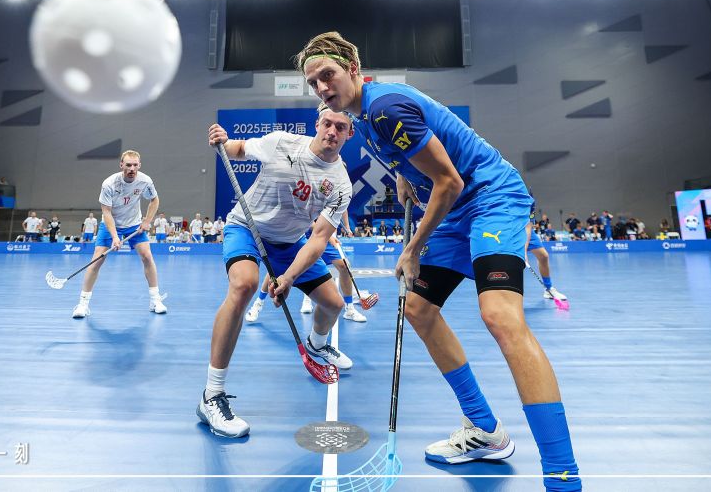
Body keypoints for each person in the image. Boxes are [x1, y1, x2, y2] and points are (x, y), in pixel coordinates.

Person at [297, 32, 579, 489]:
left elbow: (450, 181)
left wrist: (411, 249)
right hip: (452, 207)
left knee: (500, 317)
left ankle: (563, 477)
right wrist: (406, 176)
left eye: (327, 75)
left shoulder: (385, 108)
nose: (322, 87)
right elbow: (419, 157)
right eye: (313, 83)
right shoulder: (362, 116)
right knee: (419, 309)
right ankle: (484, 430)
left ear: (352, 68)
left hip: (489, 197)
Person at [199, 104, 354, 438]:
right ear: (317, 123)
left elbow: (318, 239)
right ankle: (212, 394)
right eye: (327, 123)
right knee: (245, 285)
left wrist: (288, 277)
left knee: (334, 304)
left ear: (349, 133)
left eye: (340, 127)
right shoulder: (282, 142)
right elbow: (239, 149)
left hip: (290, 242)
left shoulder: (341, 184)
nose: (331, 131)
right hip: (247, 227)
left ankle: (317, 344)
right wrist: (222, 141)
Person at [71, 150, 167, 318]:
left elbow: (154, 200)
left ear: (139, 165)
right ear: (121, 165)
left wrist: (147, 221)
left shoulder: (145, 181)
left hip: (134, 224)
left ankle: (155, 300)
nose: (132, 168)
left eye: (135, 165)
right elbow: (106, 212)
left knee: (147, 256)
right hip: (110, 223)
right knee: (96, 260)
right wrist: (115, 236)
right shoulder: (109, 184)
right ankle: (83, 305)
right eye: (128, 165)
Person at [527, 195, 568, 303]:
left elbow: (530, 223)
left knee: (543, 256)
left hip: (527, 229)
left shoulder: (530, 201)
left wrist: (524, 248)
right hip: (510, 229)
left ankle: (548, 288)